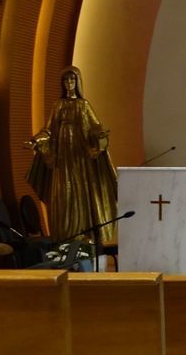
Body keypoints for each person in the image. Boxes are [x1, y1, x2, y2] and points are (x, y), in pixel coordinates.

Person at [25, 65, 119, 247]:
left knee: (80, 196)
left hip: (79, 162)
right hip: (62, 161)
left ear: (78, 82)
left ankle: (82, 235)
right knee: (63, 197)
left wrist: (100, 137)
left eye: (72, 80)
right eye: (66, 80)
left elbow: (95, 127)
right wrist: (35, 141)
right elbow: (48, 130)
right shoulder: (58, 105)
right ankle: (64, 237)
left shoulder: (83, 105)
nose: (69, 83)